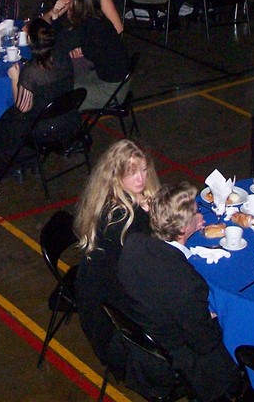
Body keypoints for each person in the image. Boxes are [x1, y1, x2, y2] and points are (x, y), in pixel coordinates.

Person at [118, 182, 243, 402]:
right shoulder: (187, 283)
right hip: (171, 358)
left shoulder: (133, 243)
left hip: (137, 338)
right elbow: (205, 341)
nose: (200, 216)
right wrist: (213, 319)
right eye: (196, 212)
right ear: (183, 228)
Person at [74, 140, 168, 397]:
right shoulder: (123, 218)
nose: (141, 179)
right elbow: (151, 264)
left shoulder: (110, 199)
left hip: (97, 293)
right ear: (116, 176)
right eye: (132, 173)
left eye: (144, 170)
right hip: (111, 317)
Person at [0, 18, 75, 182]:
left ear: (31, 42)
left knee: (5, 123)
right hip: (68, 119)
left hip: (45, 128)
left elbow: (22, 107)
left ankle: (15, 166)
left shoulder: (32, 72)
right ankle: (31, 160)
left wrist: (15, 79)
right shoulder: (62, 57)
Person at [56, 0, 130, 109]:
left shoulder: (87, 27)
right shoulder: (100, 20)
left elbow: (58, 43)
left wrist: (56, 16)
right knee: (68, 79)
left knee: (62, 93)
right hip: (119, 82)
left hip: (111, 91)